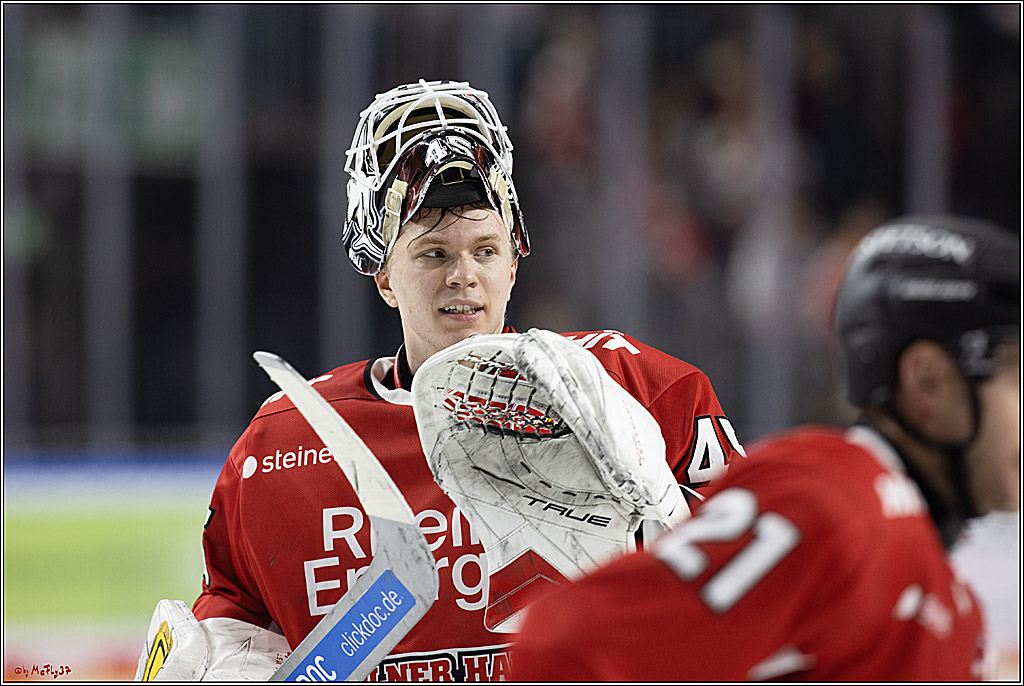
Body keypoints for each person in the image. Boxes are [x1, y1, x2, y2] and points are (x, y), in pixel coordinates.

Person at [134, 79, 743, 681]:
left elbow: (758, 594)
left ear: (514, 261)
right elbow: (238, 623)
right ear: (384, 278)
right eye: (433, 254)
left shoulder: (634, 388)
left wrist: (670, 537)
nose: (464, 276)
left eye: (485, 249)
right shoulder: (279, 448)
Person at [509, 214, 1020, 681]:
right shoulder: (835, 501)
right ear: (927, 380)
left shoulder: (953, 603)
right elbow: (572, 643)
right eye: (1015, 374)